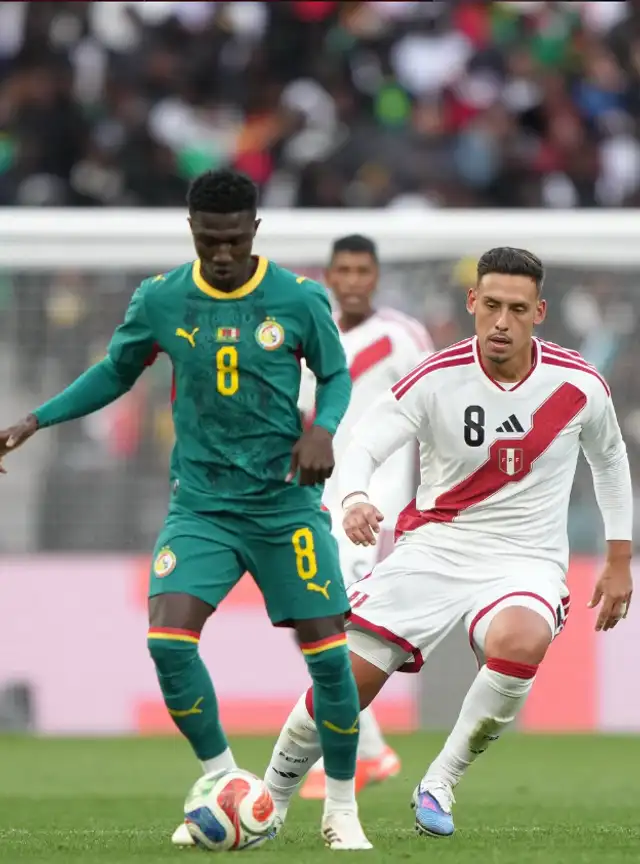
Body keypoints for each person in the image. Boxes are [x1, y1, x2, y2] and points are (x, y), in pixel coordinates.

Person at [0, 169, 372, 852]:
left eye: (233, 240)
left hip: (283, 506)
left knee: (328, 661)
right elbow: (117, 370)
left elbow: (338, 374)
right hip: (201, 505)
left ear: (254, 231)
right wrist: (35, 420)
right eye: (209, 241)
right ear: (192, 232)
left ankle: (342, 807)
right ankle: (224, 784)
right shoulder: (163, 298)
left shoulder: (297, 298)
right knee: (168, 643)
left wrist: (324, 428)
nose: (222, 255)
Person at [265, 246, 633, 837]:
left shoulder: (578, 385)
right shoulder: (437, 377)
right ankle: (269, 799)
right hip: (435, 548)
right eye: (491, 305)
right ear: (472, 303)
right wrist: (355, 496)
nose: (502, 322)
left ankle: (440, 780)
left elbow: (610, 460)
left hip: (525, 560)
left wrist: (620, 558)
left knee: (522, 642)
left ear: (539, 312)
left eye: (517, 308)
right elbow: (362, 443)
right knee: (344, 683)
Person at [297, 234, 433, 799]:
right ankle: (369, 750)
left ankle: (354, 753)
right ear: (329, 275)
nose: (352, 280)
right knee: (317, 619)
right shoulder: (310, 333)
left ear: (375, 277)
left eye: (362, 270)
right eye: (343, 270)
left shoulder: (404, 337)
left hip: (375, 502)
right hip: (313, 496)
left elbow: (435, 411)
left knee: (339, 620)